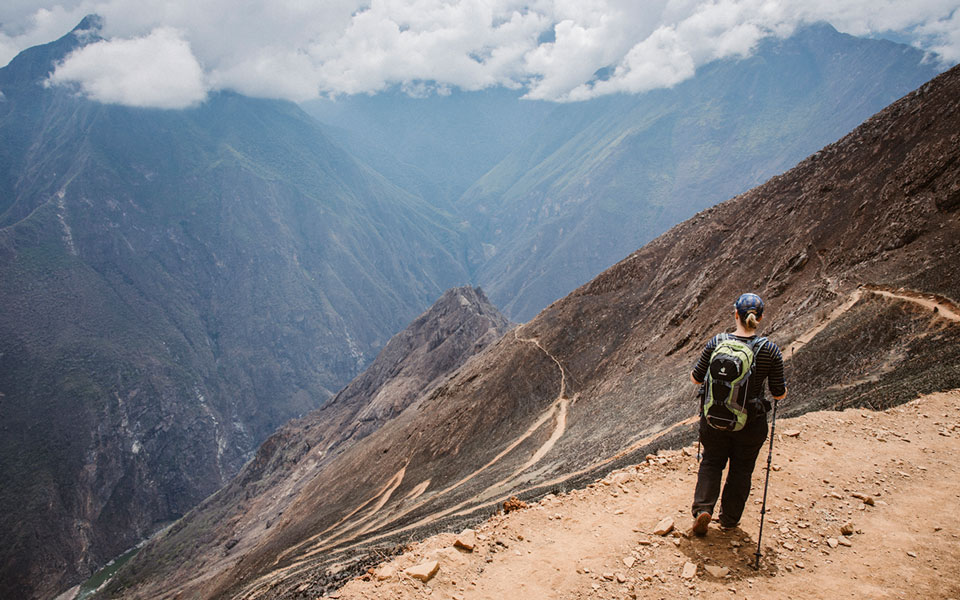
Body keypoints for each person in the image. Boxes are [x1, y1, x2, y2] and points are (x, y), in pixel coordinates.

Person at [689, 293, 787, 536]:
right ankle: (729, 520)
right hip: (750, 423)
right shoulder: (769, 350)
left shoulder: (717, 342)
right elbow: (778, 393)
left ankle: (703, 509)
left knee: (711, 462)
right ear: (760, 318)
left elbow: (696, 378)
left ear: (735, 314)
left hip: (715, 419)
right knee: (741, 469)